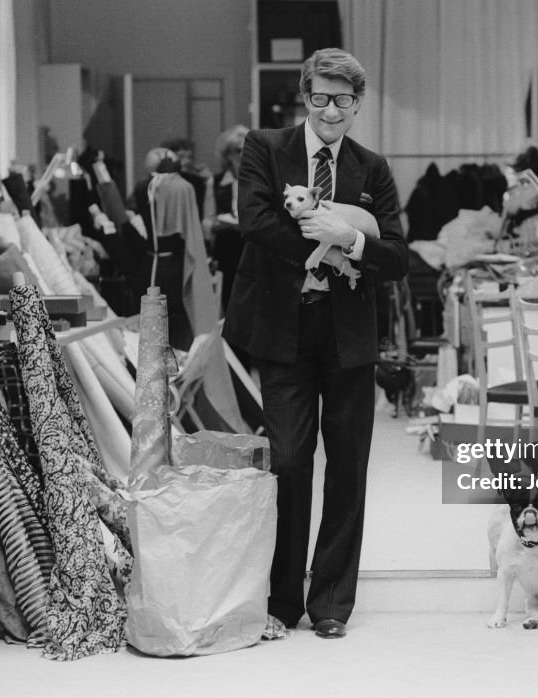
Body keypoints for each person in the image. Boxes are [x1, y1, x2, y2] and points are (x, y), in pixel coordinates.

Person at [223, 48, 408, 640]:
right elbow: (255, 222)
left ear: (358, 104)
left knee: (348, 466)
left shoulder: (372, 168)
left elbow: (397, 256)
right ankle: (283, 599)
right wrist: (319, 238)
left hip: (348, 335)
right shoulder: (265, 147)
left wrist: (349, 237)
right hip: (284, 329)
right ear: (306, 97)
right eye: (322, 98)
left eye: (343, 100)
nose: (332, 111)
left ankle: (331, 601)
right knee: (290, 462)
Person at [204, 124, 249, 313]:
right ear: (228, 155)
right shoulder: (215, 182)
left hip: (252, 248)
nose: (243, 155)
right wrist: (217, 224)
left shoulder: (261, 180)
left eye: (247, 149)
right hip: (227, 247)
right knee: (230, 303)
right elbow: (207, 221)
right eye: (238, 151)